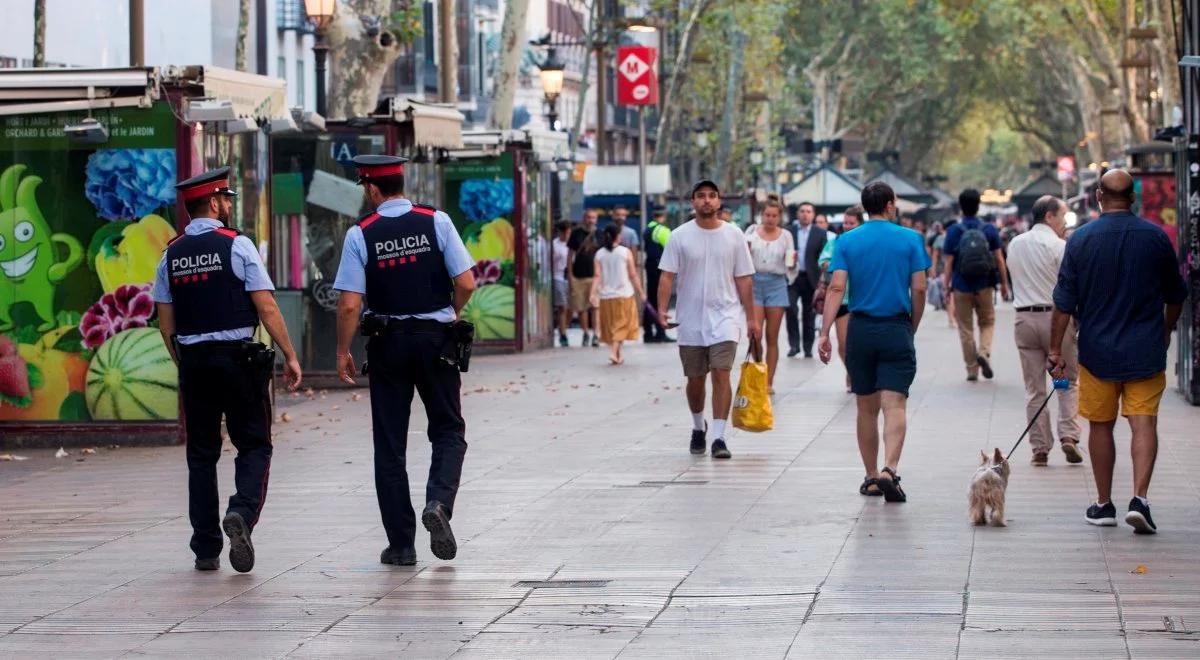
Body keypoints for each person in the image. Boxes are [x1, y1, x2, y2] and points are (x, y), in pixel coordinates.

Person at [153, 166, 303, 573]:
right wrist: (290, 354)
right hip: (239, 361)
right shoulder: (237, 245)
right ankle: (241, 513)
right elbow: (266, 306)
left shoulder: (170, 253)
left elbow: (165, 323)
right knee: (254, 444)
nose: (229, 207)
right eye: (227, 200)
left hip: (195, 363)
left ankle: (205, 548)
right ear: (215, 202)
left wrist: (183, 363)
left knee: (201, 455)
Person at [333, 155, 476, 566]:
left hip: (388, 344)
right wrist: (451, 311)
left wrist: (343, 351)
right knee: (448, 430)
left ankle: (401, 545)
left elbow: (348, 305)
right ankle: (439, 504)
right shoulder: (437, 221)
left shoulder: (362, 233)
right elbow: (466, 281)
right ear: (401, 182)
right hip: (437, 341)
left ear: (372, 189)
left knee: (390, 445)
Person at [1050, 169, 1187, 534]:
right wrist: (1166, 329)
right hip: (1145, 348)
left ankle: (1103, 503)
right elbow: (1177, 295)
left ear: (1098, 196)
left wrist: (1054, 350)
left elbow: (1063, 303)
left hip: (1097, 351)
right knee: (1144, 422)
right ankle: (1139, 499)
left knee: (1101, 425)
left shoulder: (1080, 241)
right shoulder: (1156, 238)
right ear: (1134, 198)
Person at [819, 182, 929, 502]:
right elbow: (919, 288)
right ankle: (889, 470)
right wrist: (913, 324)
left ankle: (869, 477)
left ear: (865, 207)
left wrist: (825, 333)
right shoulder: (911, 239)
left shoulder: (847, 241)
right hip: (896, 326)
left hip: (860, 329)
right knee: (894, 404)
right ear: (892, 205)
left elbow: (837, 287)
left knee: (865, 407)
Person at [657, 180, 760, 460]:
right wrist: (661, 310)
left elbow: (744, 279)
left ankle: (718, 436)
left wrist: (752, 319)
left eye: (712, 196)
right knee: (695, 379)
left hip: (726, 316)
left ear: (719, 201)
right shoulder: (679, 236)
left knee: (722, 372)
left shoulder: (734, 235)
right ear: (692, 202)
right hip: (689, 320)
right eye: (701, 196)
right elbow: (667, 276)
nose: (707, 201)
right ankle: (697, 426)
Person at [1007, 195, 1083, 466]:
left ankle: (1039, 447)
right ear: (1049, 216)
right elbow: (1071, 287)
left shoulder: (1014, 244)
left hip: (1024, 320)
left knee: (1034, 388)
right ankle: (1068, 436)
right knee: (1065, 380)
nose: (1065, 222)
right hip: (1056, 322)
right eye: (1063, 216)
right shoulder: (1060, 246)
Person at [942, 189, 1009, 381]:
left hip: (961, 286)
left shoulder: (954, 231)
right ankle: (984, 352)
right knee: (987, 321)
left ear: (961, 207)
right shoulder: (988, 229)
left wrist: (947, 287)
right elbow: (999, 259)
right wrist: (1004, 284)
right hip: (985, 285)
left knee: (965, 328)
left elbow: (947, 263)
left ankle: (972, 369)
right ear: (978, 205)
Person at [744, 200, 795, 392]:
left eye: (774, 216)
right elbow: (741, 257)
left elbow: (790, 262)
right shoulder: (751, 232)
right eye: (767, 215)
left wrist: (792, 262)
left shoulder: (786, 236)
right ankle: (758, 368)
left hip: (776, 283)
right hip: (755, 283)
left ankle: (768, 381)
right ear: (761, 215)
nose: (770, 219)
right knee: (755, 334)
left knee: (772, 336)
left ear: (779, 217)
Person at [817, 205, 863, 392]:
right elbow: (823, 262)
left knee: (856, 342)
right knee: (844, 344)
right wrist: (835, 264)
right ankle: (851, 372)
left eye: (851, 223)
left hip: (859, 298)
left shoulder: (864, 243)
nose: (847, 226)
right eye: (845, 222)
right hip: (840, 300)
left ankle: (857, 374)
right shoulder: (836, 242)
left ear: (860, 223)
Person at [591, 224, 647, 365]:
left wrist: (593, 293)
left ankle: (617, 354)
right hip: (624, 295)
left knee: (612, 327)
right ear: (617, 236)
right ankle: (613, 352)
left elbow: (597, 276)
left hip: (606, 296)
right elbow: (633, 274)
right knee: (622, 325)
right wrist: (641, 292)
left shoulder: (599, 254)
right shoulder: (625, 252)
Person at [785, 202, 827, 358]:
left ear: (813, 214)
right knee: (790, 309)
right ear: (797, 214)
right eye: (802, 211)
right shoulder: (788, 231)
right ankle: (794, 345)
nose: (805, 214)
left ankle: (808, 347)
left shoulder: (820, 233)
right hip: (792, 277)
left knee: (809, 314)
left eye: (809, 211)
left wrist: (823, 281)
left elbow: (824, 257)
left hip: (811, 278)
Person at [567, 210, 600, 347]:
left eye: (593, 218)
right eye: (588, 217)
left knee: (595, 307)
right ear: (583, 218)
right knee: (581, 308)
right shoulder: (576, 233)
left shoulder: (600, 234)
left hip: (595, 276)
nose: (590, 220)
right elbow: (570, 255)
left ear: (596, 220)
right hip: (578, 276)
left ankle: (596, 334)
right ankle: (586, 333)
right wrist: (570, 275)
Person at [642, 207, 674, 343]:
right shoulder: (662, 230)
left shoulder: (647, 229)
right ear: (664, 215)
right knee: (661, 299)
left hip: (649, 266)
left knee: (651, 299)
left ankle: (648, 333)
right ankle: (661, 332)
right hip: (660, 268)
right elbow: (673, 247)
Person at [929, 222, 955, 328]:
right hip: (954, 270)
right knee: (953, 295)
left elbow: (934, 256)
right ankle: (952, 318)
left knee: (949, 294)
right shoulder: (955, 238)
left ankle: (951, 319)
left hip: (943, 271)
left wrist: (933, 270)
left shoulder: (940, 238)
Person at [551, 221, 571, 347]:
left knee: (571, 308)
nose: (567, 235)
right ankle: (563, 334)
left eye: (568, 232)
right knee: (562, 306)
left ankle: (564, 327)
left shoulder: (572, 244)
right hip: (558, 277)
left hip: (571, 278)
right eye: (564, 232)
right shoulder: (554, 245)